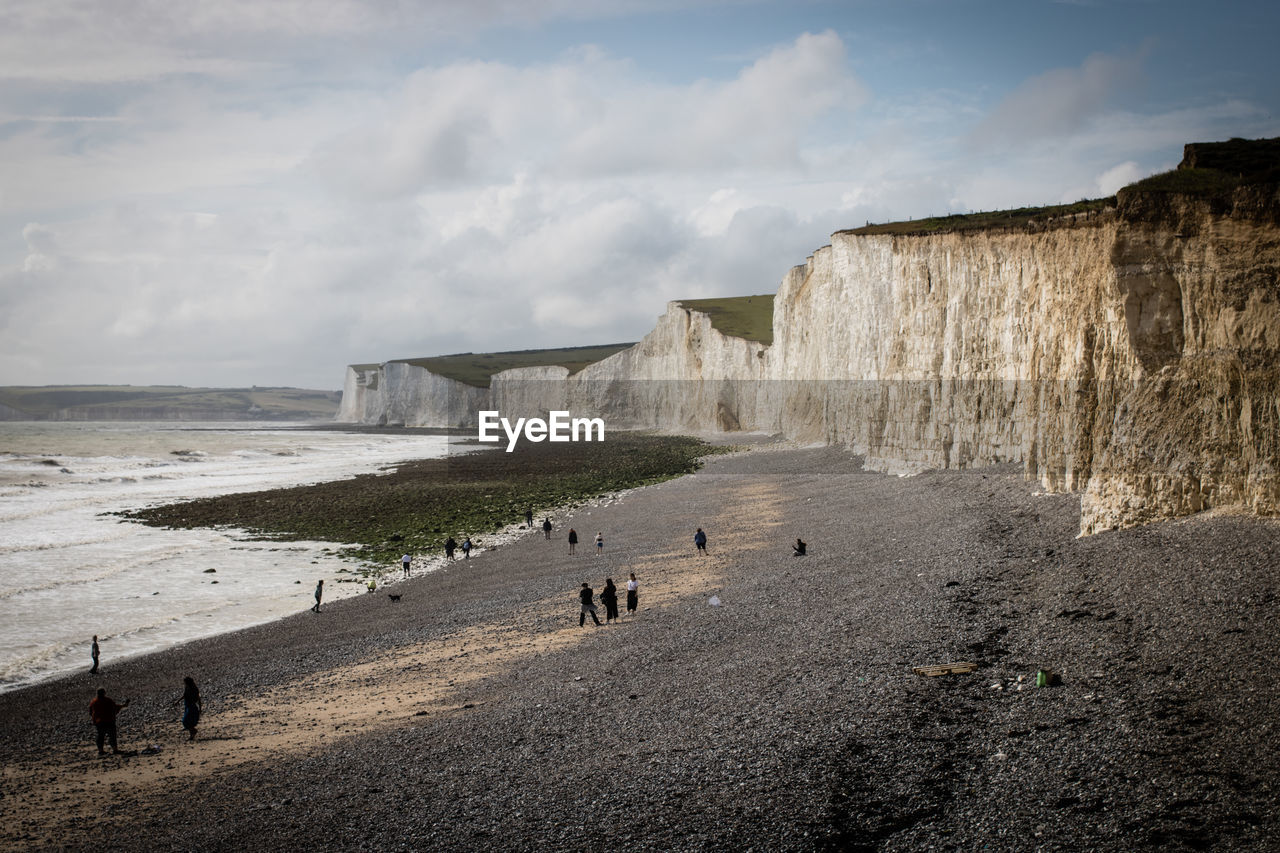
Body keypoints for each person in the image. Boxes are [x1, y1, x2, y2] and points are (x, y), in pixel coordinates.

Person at [89, 688, 129, 755]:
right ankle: (115, 749)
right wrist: (124, 705)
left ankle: (101, 751)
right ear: (104, 693)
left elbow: (91, 712)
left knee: (100, 736)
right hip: (109, 720)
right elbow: (115, 707)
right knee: (112, 735)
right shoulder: (108, 700)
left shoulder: (94, 702)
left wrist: (95, 719)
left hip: (99, 722)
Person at [177, 676, 202, 741]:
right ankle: (192, 736)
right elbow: (184, 695)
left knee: (186, 721)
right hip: (187, 706)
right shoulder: (187, 688)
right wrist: (178, 701)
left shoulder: (194, 689)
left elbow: (199, 699)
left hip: (192, 707)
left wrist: (200, 708)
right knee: (188, 721)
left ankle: (193, 731)